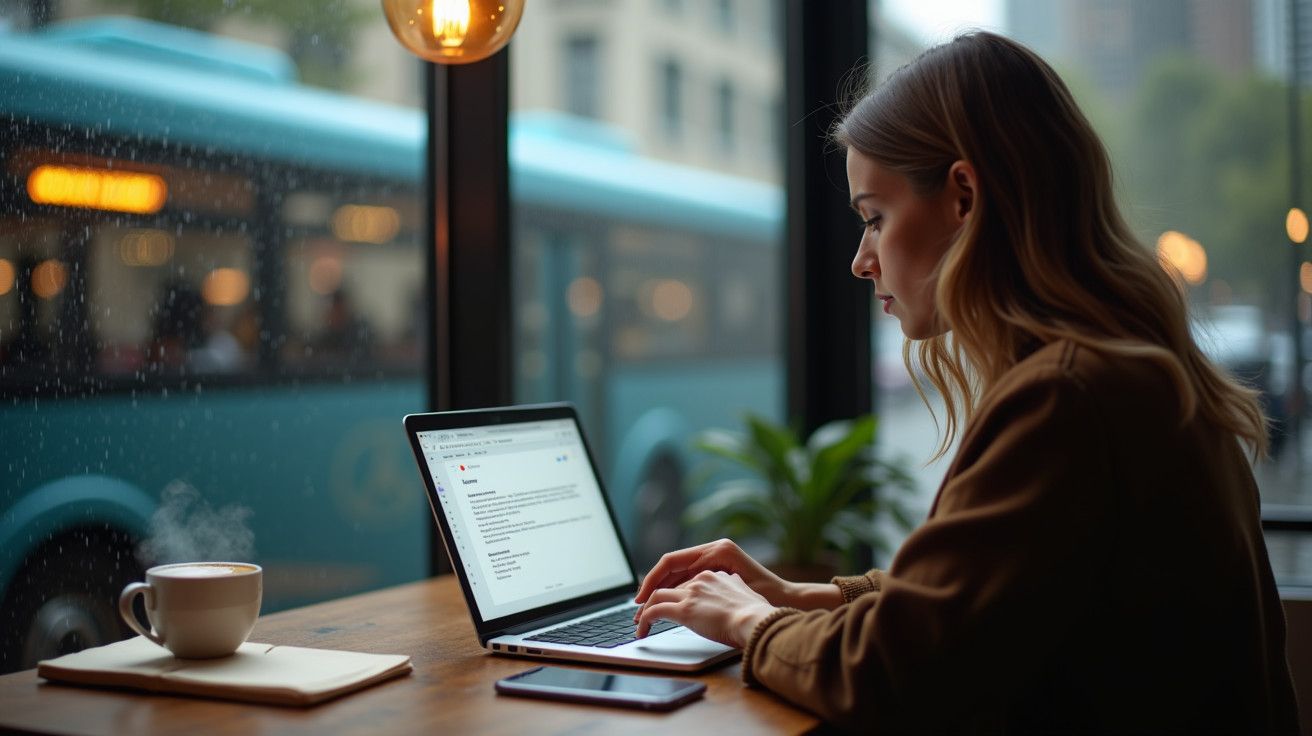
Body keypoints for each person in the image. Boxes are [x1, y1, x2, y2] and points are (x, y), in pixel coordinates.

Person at [632, 32, 1299, 734]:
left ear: (963, 197)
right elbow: (982, 598)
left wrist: (750, 621)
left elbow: (897, 674)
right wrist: (796, 596)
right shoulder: (1130, 369)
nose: (862, 260)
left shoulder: (1068, 397)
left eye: (875, 218)